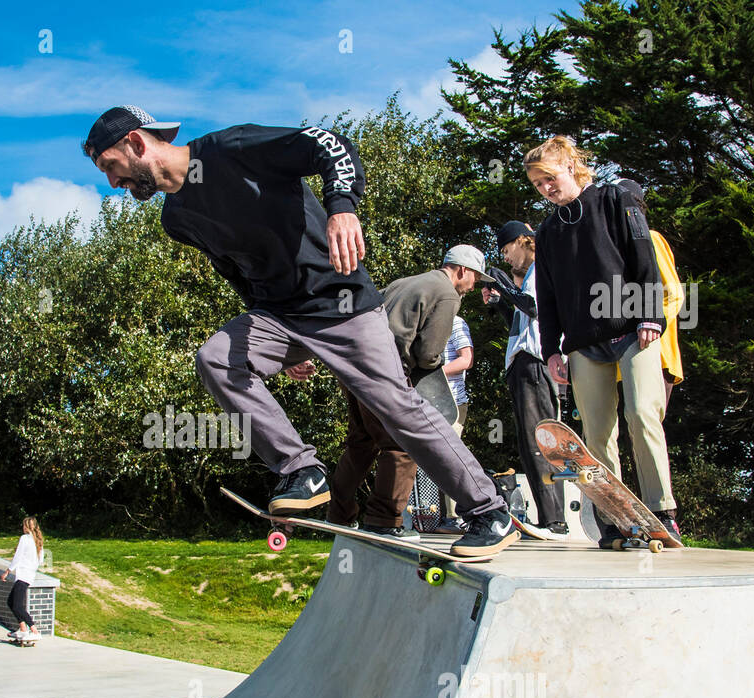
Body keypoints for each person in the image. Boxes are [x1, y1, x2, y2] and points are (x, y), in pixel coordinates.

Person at [82, 106, 518, 557]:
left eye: (111, 167)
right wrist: (272, 341)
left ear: (136, 143)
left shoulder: (230, 149)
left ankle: (490, 512)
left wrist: (342, 209)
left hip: (340, 302)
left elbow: (331, 145)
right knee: (217, 358)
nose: (114, 183)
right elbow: (236, 270)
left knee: (397, 409)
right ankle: (301, 470)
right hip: (278, 316)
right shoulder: (176, 219)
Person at [525, 135, 680, 543]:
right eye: (538, 184)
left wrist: (650, 314)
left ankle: (662, 510)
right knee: (595, 435)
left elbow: (643, 258)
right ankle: (613, 519)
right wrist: (551, 348)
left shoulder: (614, 200)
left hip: (632, 328)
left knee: (642, 414)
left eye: (550, 178)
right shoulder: (547, 232)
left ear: (571, 167)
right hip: (582, 342)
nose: (546, 188)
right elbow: (549, 294)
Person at [326, 247, 491, 535]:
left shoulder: (403, 282)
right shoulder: (447, 293)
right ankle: (384, 521)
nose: (475, 285)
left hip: (351, 366)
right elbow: (428, 353)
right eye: (476, 277)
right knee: (402, 446)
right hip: (383, 373)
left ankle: (338, 516)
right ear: (462, 270)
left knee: (361, 443)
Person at [482, 221, 567, 533]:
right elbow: (520, 321)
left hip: (534, 362)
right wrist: (501, 303)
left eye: (507, 250)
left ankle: (555, 520)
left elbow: (535, 308)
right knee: (529, 442)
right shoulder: (527, 277)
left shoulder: (542, 268)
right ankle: (550, 517)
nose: (505, 257)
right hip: (523, 361)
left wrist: (504, 286)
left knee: (540, 440)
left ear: (524, 241)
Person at [613, 180, 685, 409]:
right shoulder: (616, 251)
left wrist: (648, 325)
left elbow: (673, 294)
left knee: (646, 430)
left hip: (656, 353)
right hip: (623, 359)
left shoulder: (651, 238)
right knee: (633, 437)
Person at [437, 313, 474, 530]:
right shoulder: (427, 323)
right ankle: (448, 517)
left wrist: (434, 374)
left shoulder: (456, 322)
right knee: (438, 458)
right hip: (431, 400)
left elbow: (466, 359)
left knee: (451, 457)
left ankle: (459, 517)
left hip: (453, 402)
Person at [0, 517, 45, 641]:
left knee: (17, 606)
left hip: (23, 575)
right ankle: (23, 630)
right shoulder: (38, 541)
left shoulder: (24, 538)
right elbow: (40, 560)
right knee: (11, 602)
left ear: (26, 526)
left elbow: (18, 556)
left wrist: (8, 571)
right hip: (29, 575)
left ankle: (34, 630)